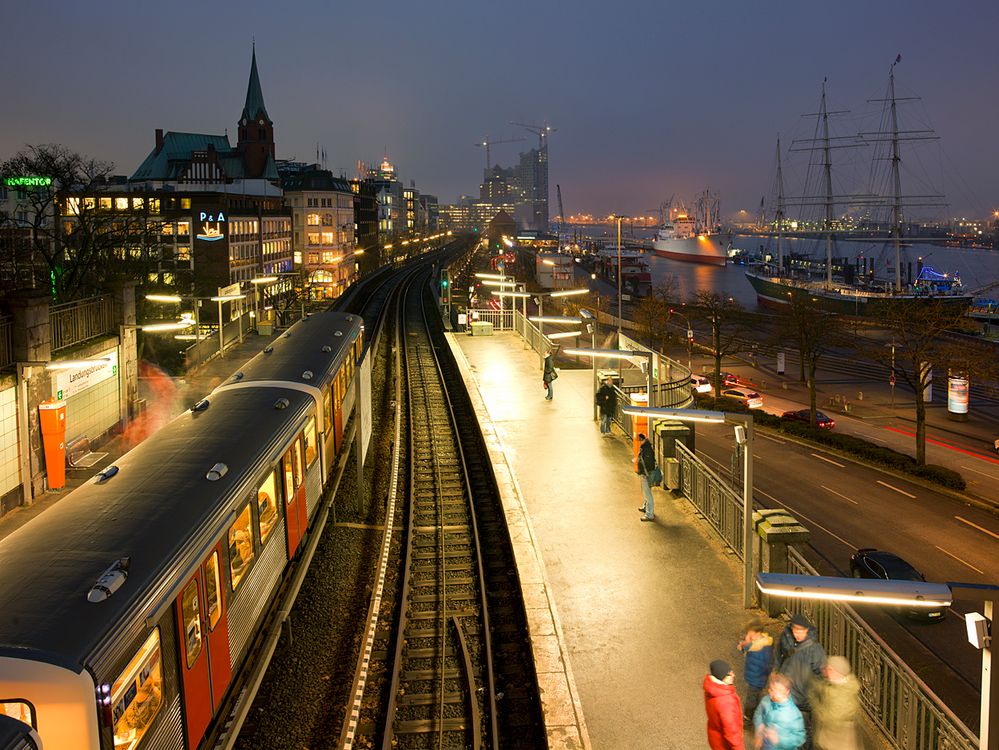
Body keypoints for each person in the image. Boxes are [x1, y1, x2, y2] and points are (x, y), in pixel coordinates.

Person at [773, 613, 826, 747]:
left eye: (801, 631)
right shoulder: (787, 638)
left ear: (807, 630)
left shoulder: (815, 649)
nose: (798, 634)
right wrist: (777, 671)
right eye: (795, 630)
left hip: (803, 699)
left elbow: (821, 675)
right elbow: (779, 655)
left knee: (804, 730)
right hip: (787, 695)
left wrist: (814, 695)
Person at [810, 655, 862, 750]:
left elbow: (832, 718)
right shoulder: (835, 685)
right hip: (832, 740)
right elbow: (825, 689)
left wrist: (816, 705)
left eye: (829, 669)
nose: (825, 671)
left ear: (838, 672)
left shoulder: (843, 694)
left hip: (838, 741)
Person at [754, 673, 806, 750]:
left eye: (778, 690)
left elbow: (800, 738)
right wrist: (759, 726)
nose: (772, 693)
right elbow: (758, 713)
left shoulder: (794, 714)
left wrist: (779, 740)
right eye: (771, 689)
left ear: (787, 692)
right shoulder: (766, 700)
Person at [704, 660, 746, 750]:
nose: (733, 675)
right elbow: (732, 732)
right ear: (721, 677)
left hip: (715, 737)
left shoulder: (712, 688)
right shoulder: (726, 701)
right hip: (724, 744)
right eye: (729, 674)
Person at [738, 619, 774, 727]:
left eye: (750, 634)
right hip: (754, 676)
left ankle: (748, 719)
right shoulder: (756, 643)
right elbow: (747, 647)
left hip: (757, 678)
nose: (748, 636)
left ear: (757, 633)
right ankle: (756, 716)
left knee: (751, 700)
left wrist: (745, 645)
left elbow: (767, 664)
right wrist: (744, 645)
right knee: (755, 697)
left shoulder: (763, 647)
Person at [636, 433, 656, 522]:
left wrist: (641, 472)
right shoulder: (646, 447)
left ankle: (649, 514)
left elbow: (647, 464)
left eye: (640, 440)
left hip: (646, 474)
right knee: (646, 492)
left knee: (648, 494)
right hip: (646, 474)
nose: (639, 442)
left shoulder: (646, 449)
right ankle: (646, 507)